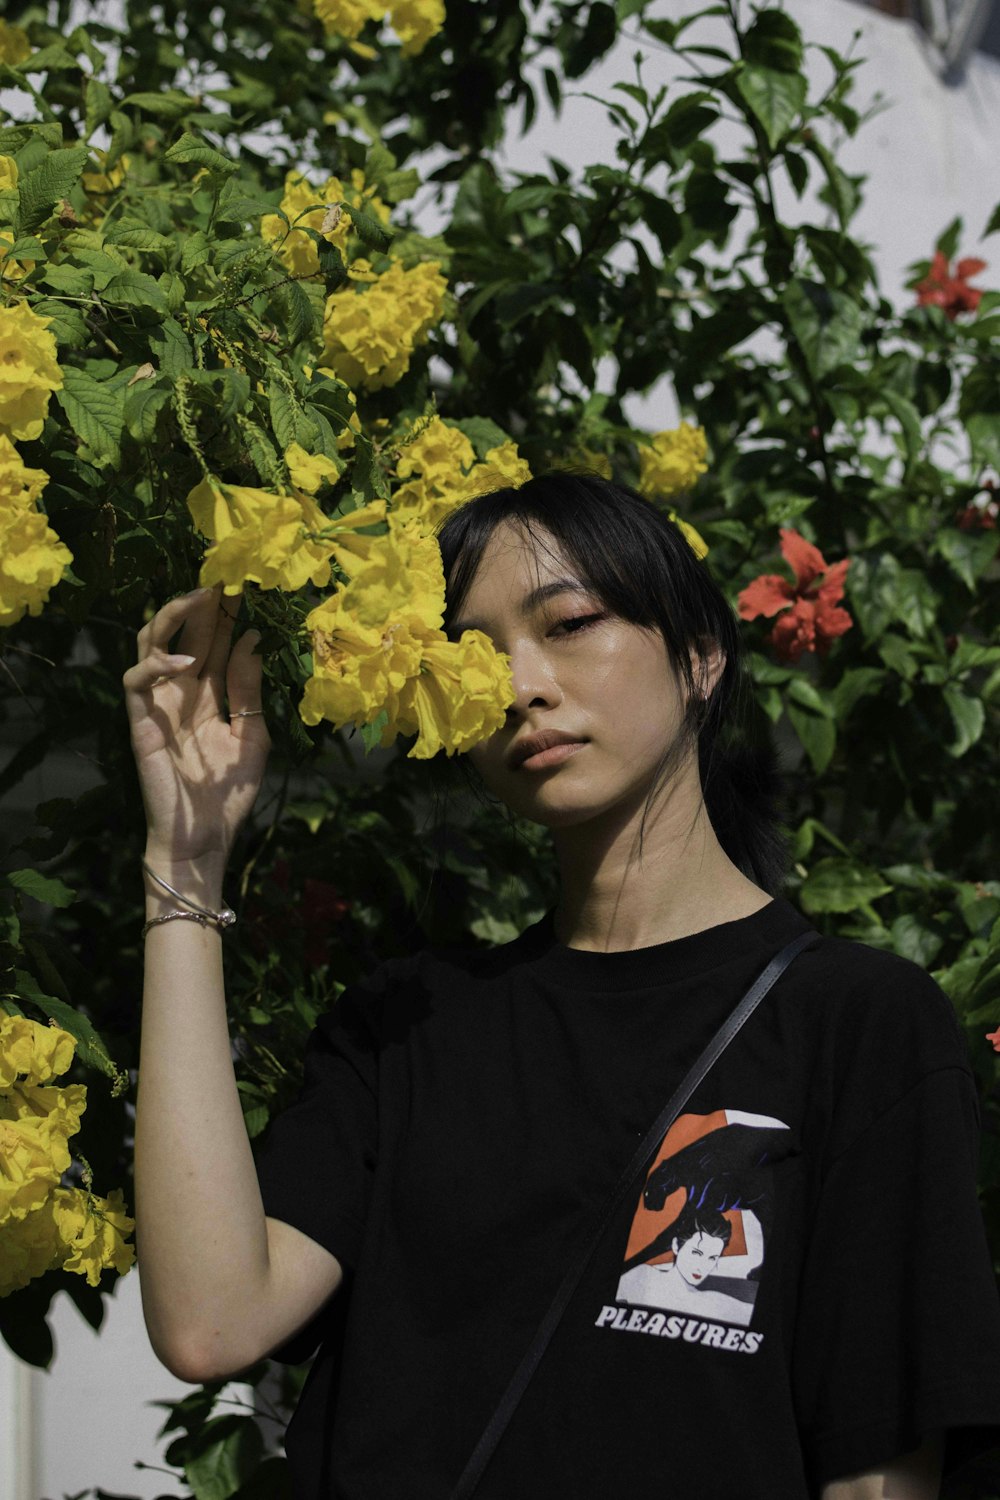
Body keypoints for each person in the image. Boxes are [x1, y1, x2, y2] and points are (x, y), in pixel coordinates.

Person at [125, 472, 1000, 1500]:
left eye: (571, 622)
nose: (521, 685)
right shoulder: (410, 1024)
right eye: (473, 654)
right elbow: (210, 1323)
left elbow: (878, 1474)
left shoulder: (857, 1023)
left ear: (702, 656)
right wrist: (186, 866)